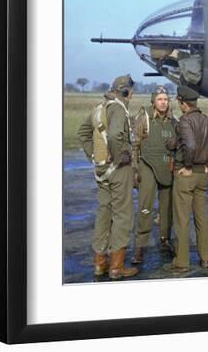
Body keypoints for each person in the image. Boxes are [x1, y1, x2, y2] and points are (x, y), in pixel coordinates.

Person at [77, 74, 139, 280]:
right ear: (125, 91)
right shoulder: (118, 108)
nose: (131, 95)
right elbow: (114, 136)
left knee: (104, 213)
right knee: (123, 215)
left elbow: (83, 133)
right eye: (130, 91)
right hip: (118, 169)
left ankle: (99, 263)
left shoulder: (99, 107)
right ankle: (116, 267)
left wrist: (94, 155)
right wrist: (119, 155)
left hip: (101, 169)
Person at [164, 86, 208, 273]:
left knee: (182, 220)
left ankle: (181, 262)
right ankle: (206, 258)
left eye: (179, 102)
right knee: (202, 218)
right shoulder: (207, 120)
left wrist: (188, 167)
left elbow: (190, 145)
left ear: (184, 103)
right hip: (203, 176)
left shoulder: (185, 120)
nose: (179, 106)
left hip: (187, 175)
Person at [130, 86, 178, 265]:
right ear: (153, 101)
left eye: (166, 99)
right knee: (145, 208)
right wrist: (135, 170)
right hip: (147, 166)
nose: (163, 102)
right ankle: (139, 248)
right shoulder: (144, 118)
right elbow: (134, 145)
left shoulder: (174, 121)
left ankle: (165, 240)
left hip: (167, 167)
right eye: (160, 99)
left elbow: (178, 146)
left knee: (167, 208)